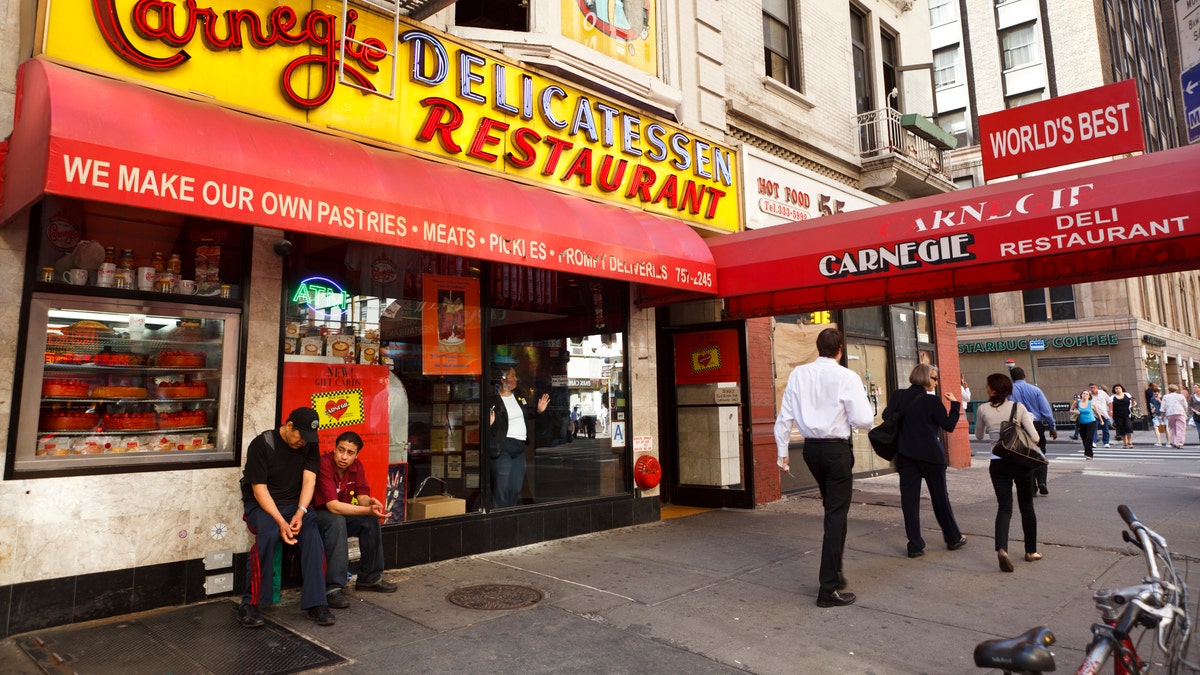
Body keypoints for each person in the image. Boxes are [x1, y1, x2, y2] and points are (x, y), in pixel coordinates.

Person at [774, 328, 874, 607]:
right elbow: (864, 419)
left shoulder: (798, 374)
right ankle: (827, 588)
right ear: (840, 348)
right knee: (835, 515)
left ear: (819, 347)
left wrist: (783, 453)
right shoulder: (847, 376)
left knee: (833, 509)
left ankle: (837, 572)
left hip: (810, 450)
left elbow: (784, 417)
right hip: (835, 449)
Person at [237, 407, 334, 628]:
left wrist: (301, 512)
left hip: (294, 505)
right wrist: (280, 522)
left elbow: (309, 481)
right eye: (301, 436)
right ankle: (249, 603)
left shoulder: (309, 444)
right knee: (269, 534)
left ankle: (317, 602)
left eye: (308, 438)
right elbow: (259, 490)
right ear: (289, 426)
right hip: (263, 505)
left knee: (311, 532)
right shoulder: (263, 444)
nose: (304, 442)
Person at [883, 363, 965, 559]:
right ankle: (953, 538)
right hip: (931, 457)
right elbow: (949, 425)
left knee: (909, 502)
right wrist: (954, 405)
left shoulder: (898, 396)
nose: (936, 382)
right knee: (940, 499)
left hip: (906, 456)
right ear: (924, 378)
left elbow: (886, 416)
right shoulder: (932, 401)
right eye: (934, 378)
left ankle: (915, 545)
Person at [313, 431, 398, 610]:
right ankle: (333, 587)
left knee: (370, 519)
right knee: (336, 521)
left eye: (350, 453)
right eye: (341, 450)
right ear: (334, 449)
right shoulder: (324, 464)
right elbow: (333, 506)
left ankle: (370, 577)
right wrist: (366, 509)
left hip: (340, 514)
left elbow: (362, 496)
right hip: (317, 517)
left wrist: (371, 504)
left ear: (356, 455)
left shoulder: (357, 466)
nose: (344, 456)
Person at [974, 374, 1041, 573]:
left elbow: (978, 435)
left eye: (987, 386)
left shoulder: (982, 409)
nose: (986, 388)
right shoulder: (1018, 408)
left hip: (997, 463)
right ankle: (1031, 551)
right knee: (1027, 505)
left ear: (992, 389)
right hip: (1020, 462)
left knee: (1004, 508)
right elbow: (1035, 437)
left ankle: (1002, 549)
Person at [489, 365, 549, 508]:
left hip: (519, 448)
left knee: (515, 486)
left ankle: (508, 513)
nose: (516, 379)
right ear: (503, 380)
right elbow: (486, 422)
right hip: (503, 446)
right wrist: (489, 424)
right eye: (513, 376)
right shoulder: (494, 400)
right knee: (501, 487)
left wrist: (539, 410)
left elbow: (527, 413)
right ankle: (498, 516)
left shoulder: (519, 395)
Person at [1008, 367, 1056, 496]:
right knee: (1040, 452)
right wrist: (1052, 426)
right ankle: (1042, 481)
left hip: (1019, 425)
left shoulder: (1009, 392)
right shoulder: (1036, 390)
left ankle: (1031, 487)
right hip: (1036, 424)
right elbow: (1045, 410)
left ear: (1012, 378)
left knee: (1024, 455)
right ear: (1024, 375)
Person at [1075, 390, 1104, 459]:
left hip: (1091, 422)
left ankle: (1090, 454)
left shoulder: (1091, 403)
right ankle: (1087, 451)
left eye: (1087, 394)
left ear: (1089, 396)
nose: (1085, 395)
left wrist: (1101, 420)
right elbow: (1071, 410)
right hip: (1081, 423)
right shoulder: (1077, 402)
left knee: (1089, 438)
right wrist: (1075, 411)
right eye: (1083, 393)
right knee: (1084, 438)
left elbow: (1097, 412)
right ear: (1081, 395)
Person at [1108, 384, 1136, 449]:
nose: (1118, 390)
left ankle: (1130, 442)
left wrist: (1133, 402)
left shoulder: (1127, 395)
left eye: (1119, 388)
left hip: (1127, 414)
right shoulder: (1112, 397)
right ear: (1114, 390)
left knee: (1129, 427)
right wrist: (1110, 418)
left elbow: (1133, 403)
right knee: (1121, 429)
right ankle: (1125, 443)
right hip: (1117, 416)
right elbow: (1110, 407)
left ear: (1122, 389)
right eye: (1116, 388)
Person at [1161, 384, 1188, 449]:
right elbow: (1185, 405)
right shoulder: (1181, 396)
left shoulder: (1165, 396)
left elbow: (1163, 406)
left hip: (1170, 413)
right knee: (1181, 428)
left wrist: (1162, 415)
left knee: (1172, 428)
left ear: (1169, 390)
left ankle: (1174, 442)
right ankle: (1179, 443)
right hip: (1180, 413)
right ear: (1176, 389)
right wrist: (1185, 411)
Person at [1090, 383, 1112, 448]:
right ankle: (1093, 441)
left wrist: (1110, 411)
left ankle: (1106, 442)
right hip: (1094, 414)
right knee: (1094, 428)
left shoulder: (1102, 393)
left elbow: (1109, 402)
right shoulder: (1089, 394)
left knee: (1105, 428)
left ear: (1096, 388)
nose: (1092, 389)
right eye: (1091, 388)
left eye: (1093, 387)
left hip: (1103, 413)